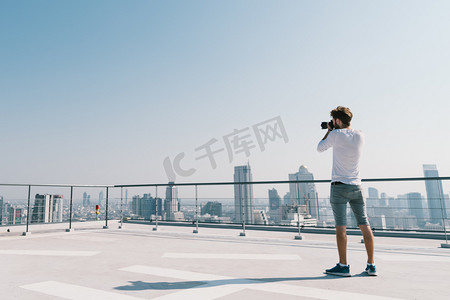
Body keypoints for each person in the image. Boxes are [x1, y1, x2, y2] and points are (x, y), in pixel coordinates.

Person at [317, 106, 377, 277]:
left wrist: (329, 131)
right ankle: (371, 265)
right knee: (364, 224)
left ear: (337, 121)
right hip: (357, 186)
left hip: (339, 187)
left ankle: (343, 266)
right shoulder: (360, 135)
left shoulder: (335, 135)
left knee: (340, 227)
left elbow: (320, 148)